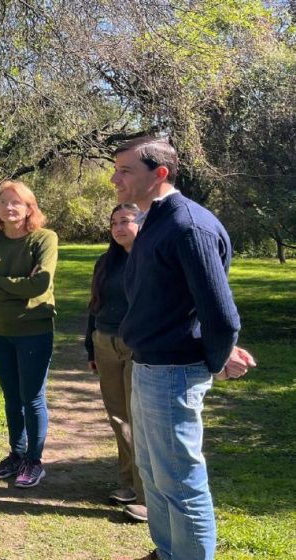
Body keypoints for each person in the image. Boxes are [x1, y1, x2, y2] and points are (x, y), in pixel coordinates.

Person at [111, 136, 257, 560]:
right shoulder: (154, 218)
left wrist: (215, 358)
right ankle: (168, 550)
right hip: (149, 366)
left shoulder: (188, 225)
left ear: (159, 174)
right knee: (155, 476)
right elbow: (180, 300)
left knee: (180, 480)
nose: (115, 178)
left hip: (174, 372)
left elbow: (222, 314)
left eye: (125, 171)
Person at [0, 180, 58, 488]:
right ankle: (17, 455)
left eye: (16, 203)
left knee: (31, 397)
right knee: (11, 397)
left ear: (29, 208)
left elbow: (39, 285)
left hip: (34, 330)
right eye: (4, 202)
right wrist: (16, 284)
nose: (9, 208)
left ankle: (34, 460)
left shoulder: (44, 239)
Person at [84, 203, 147, 522]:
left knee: (141, 420)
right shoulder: (105, 261)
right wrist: (90, 348)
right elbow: (94, 305)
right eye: (114, 223)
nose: (120, 227)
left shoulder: (151, 258)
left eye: (126, 221)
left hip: (139, 346)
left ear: (141, 222)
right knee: (118, 418)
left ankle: (148, 495)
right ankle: (128, 485)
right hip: (104, 342)